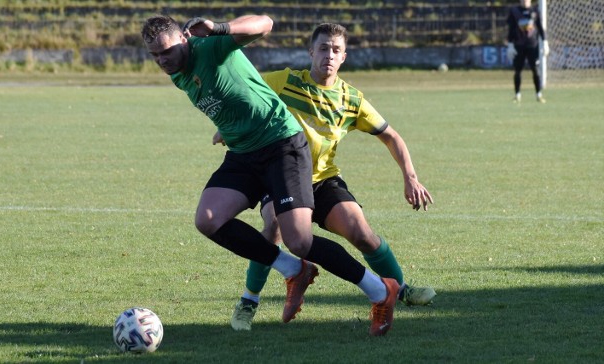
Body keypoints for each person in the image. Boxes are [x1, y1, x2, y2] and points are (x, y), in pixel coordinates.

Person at [141, 14, 400, 336]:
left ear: (183, 38)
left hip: (281, 144)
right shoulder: (177, 71)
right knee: (208, 219)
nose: (162, 60)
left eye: (167, 51)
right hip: (242, 153)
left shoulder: (209, 48)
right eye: (155, 55)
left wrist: (219, 28)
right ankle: (294, 270)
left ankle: (380, 290)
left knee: (300, 240)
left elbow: (265, 23)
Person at [213, 23, 436, 332]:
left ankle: (399, 287)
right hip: (279, 176)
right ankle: (249, 301)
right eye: (322, 48)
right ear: (311, 52)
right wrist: (227, 127)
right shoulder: (286, 81)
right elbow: (247, 97)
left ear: (343, 57)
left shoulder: (351, 100)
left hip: (321, 181)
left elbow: (391, 136)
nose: (328, 55)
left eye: (335, 50)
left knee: (361, 232)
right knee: (273, 226)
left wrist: (410, 178)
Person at [506, 0, 550, 103]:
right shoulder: (514, 11)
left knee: (535, 70)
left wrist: (545, 42)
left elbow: (539, 27)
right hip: (519, 45)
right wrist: (510, 44)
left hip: (532, 45)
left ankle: (538, 94)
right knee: (517, 71)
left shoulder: (535, 10)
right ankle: (517, 95)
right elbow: (511, 29)